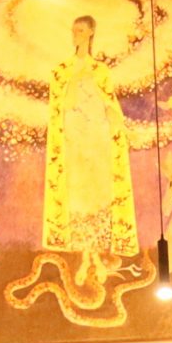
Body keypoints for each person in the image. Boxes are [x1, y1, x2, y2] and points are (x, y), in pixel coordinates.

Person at [40, 14, 139, 283]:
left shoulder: (100, 70)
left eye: (81, 30)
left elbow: (109, 104)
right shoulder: (62, 70)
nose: (76, 35)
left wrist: (116, 125)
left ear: (91, 33)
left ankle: (96, 257)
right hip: (74, 139)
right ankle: (86, 258)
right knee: (78, 196)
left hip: (97, 138)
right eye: (74, 30)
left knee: (99, 194)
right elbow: (58, 108)